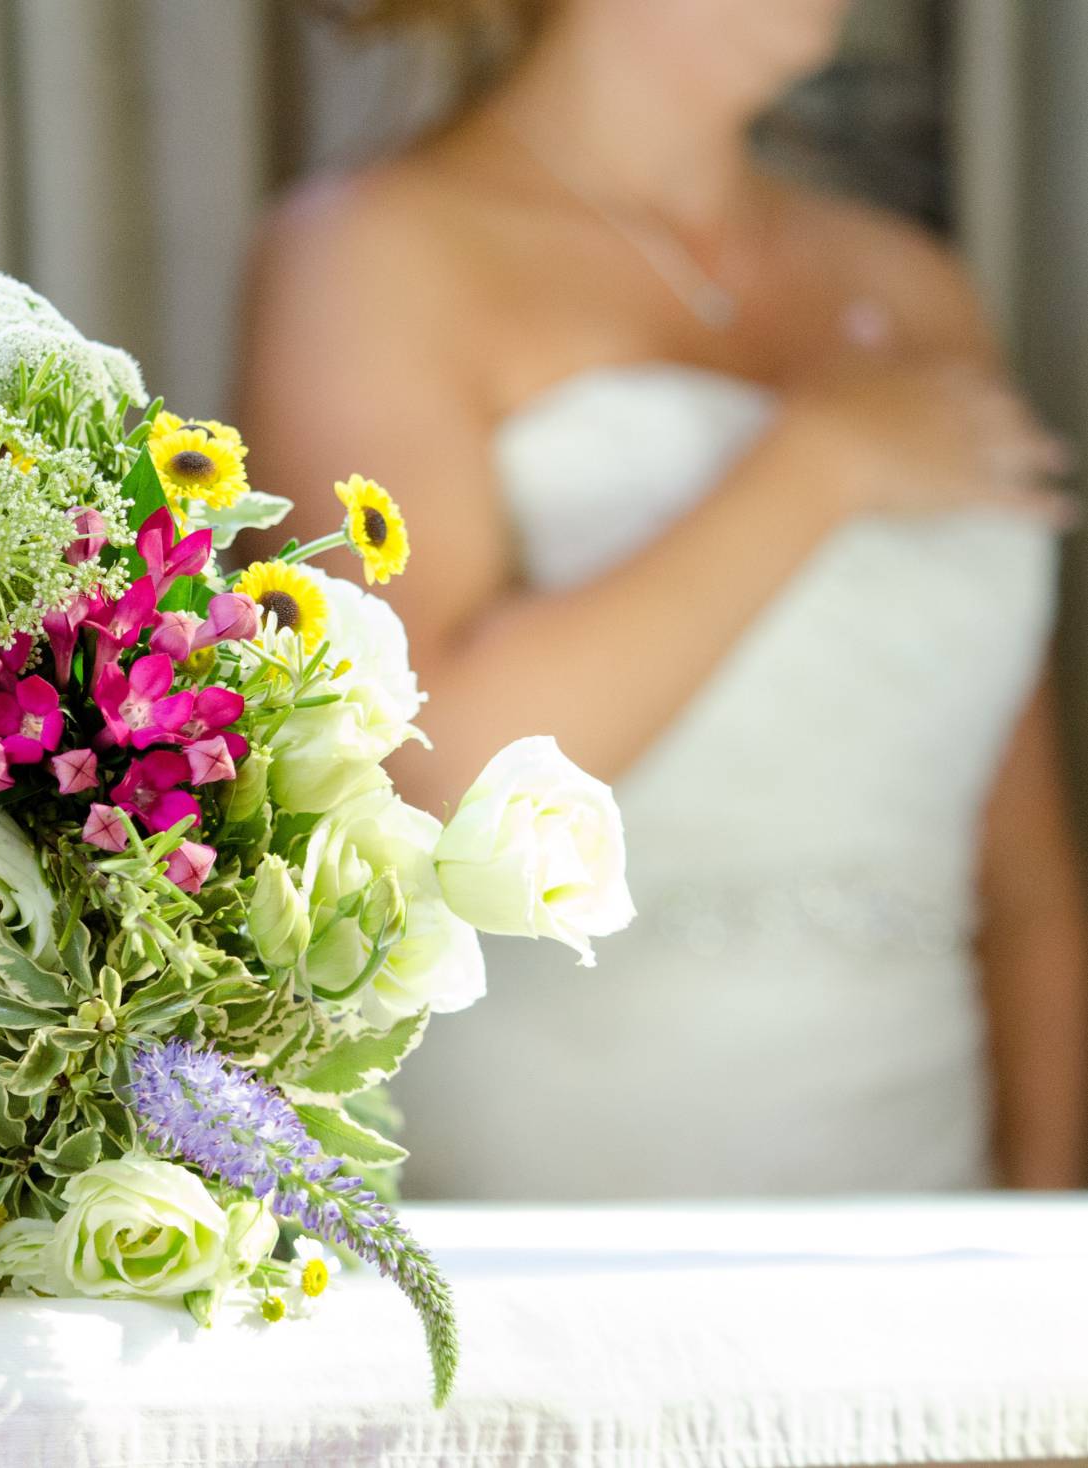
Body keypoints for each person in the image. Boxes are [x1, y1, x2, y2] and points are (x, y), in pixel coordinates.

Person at [237, 0, 1087, 1195]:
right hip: (566, 1170)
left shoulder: (917, 285)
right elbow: (431, 769)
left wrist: (1046, 1238)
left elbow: (1025, 874)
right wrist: (818, 468)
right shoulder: (373, 252)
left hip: (923, 1167)